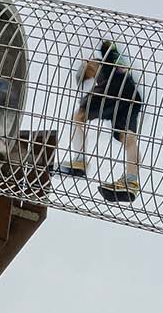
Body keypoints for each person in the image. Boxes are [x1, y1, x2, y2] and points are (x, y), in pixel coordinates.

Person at [62, 40, 145, 203]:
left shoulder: (102, 65)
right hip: (132, 96)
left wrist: (105, 48)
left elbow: (104, 52)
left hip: (112, 88)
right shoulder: (122, 68)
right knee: (128, 138)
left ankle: (80, 161)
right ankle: (131, 180)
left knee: (78, 116)